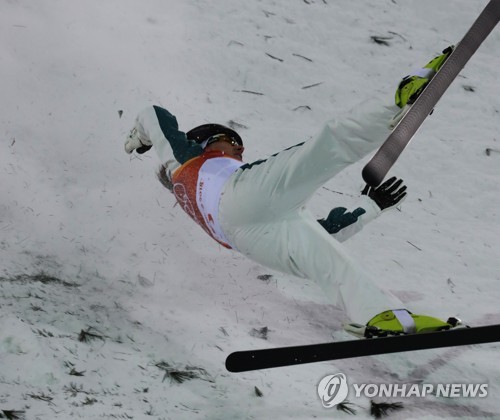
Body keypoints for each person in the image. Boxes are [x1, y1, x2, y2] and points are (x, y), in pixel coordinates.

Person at [125, 47, 461, 338]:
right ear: (204, 142)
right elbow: (153, 114)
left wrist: (370, 206)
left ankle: (378, 316)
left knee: (328, 261)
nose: (239, 150)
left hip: (248, 239)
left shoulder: (185, 181)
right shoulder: (186, 158)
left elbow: (326, 233)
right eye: (232, 142)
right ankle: (400, 97)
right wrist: (143, 134)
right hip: (241, 195)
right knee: (327, 145)